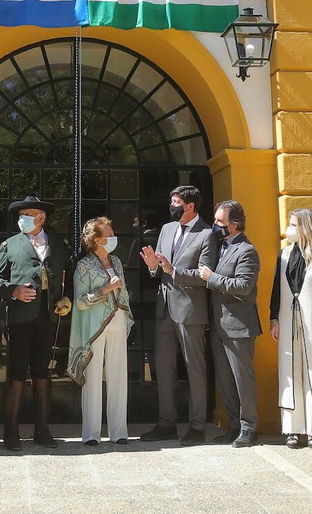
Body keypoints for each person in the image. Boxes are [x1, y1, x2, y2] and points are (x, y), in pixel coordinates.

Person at [139, 185, 218, 444]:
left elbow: (205, 275)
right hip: (164, 309)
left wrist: (174, 271)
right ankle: (166, 423)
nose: (171, 206)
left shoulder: (207, 234)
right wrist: (153, 267)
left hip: (190, 311)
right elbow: (158, 269)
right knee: (163, 368)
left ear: (190, 206)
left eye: (175, 202)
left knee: (195, 368)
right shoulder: (167, 229)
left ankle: (197, 426)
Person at [0, 195, 72, 449]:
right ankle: (11, 432)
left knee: (42, 371)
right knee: (16, 372)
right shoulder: (9, 245)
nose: (23, 219)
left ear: (41, 218)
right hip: (19, 318)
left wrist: (67, 298)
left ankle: (42, 430)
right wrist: (14, 291)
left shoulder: (58, 243)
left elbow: (68, 276)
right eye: (20, 215)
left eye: (28, 214)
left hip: (48, 317)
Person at [270, 207, 312, 449]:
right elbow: (276, 289)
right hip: (287, 319)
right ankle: (292, 428)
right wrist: (274, 319)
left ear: (306, 227)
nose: (289, 229)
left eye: (294, 225)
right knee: (289, 371)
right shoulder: (284, 254)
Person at [198, 200, 260, 448]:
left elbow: (244, 286)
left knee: (242, 379)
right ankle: (234, 424)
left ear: (233, 225)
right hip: (219, 324)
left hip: (238, 326)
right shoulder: (222, 246)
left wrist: (212, 278)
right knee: (225, 380)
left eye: (219, 221)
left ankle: (249, 427)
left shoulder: (246, 250)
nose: (215, 225)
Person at [72, 216, 133, 445]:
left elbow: (123, 292)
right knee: (93, 377)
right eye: (109, 234)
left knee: (119, 376)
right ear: (96, 239)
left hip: (118, 321)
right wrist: (105, 289)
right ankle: (91, 433)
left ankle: (119, 432)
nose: (113, 237)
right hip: (95, 326)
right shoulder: (84, 265)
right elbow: (80, 302)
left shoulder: (116, 261)